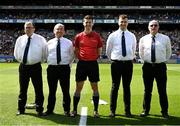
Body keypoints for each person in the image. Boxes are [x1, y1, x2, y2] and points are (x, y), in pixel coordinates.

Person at [71, 15, 103, 118]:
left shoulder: (97, 36)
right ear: (83, 23)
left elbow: (99, 51)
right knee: (78, 88)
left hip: (93, 64)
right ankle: (74, 110)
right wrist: (81, 58)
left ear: (92, 24)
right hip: (82, 64)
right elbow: (76, 50)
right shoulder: (78, 36)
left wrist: (93, 58)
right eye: (86, 22)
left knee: (95, 87)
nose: (88, 24)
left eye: (90, 22)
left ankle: (96, 111)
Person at [139, 20, 172, 119]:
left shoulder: (165, 38)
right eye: (151, 25)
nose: (153, 27)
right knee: (147, 90)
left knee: (162, 90)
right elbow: (141, 53)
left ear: (158, 27)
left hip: (160, 67)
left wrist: (161, 61)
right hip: (147, 66)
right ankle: (145, 110)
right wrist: (147, 61)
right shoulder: (143, 39)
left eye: (155, 25)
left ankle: (164, 111)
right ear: (148, 27)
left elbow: (168, 52)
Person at [106, 14, 137, 118]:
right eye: (121, 22)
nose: (123, 23)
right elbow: (108, 51)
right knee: (115, 87)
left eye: (125, 22)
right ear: (118, 22)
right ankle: (112, 111)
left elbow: (133, 50)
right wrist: (115, 60)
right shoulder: (112, 35)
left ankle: (127, 111)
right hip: (116, 64)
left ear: (127, 23)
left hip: (128, 64)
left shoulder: (132, 36)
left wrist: (128, 59)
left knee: (127, 88)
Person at [14, 22, 47, 116]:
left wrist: (39, 61)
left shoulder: (40, 39)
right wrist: (23, 61)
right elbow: (16, 53)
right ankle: (21, 109)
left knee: (38, 89)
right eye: (26, 27)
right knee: (23, 89)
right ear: (24, 29)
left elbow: (45, 53)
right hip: (23, 67)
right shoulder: (20, 39)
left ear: (34, 29)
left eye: (30, 27)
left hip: (36, 66)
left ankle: (39, 109)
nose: (28, 29)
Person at [45, 23, 74, 116]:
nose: (59, 31)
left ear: (64, 31)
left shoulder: (69, 42)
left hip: (64, 68)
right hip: (52, 68)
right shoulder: (49, 43)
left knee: (65, 91)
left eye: (61, 29)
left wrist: (67, 65)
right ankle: (50, 109)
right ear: (54, 31)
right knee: (52, 91)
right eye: (57, 29)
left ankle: (67, 110)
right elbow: (45, 55)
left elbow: (72, 56)